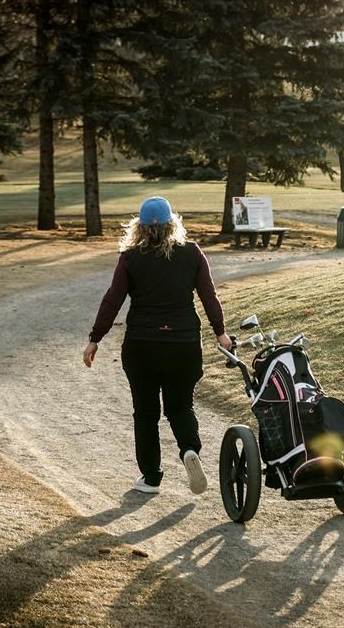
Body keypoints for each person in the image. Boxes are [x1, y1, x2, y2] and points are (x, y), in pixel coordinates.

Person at [83, 196, 232, 496]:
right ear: (172, 224)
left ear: (138, 226)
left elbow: (113, 299)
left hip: (142, 345)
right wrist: (221, 333)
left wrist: (95, 338)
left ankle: (151, 478)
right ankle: (189, 449)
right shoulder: (192, 253)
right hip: (183, 345)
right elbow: (209, 295)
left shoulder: (130, 258)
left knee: (146, 412)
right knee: (180, 405)